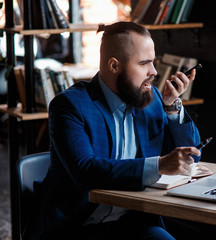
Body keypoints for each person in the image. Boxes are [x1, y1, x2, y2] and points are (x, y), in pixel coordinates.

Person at [25, 21, 201, 240]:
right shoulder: (70, 106)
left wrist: (171, 106)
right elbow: (86, 170)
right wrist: (160, 165)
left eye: (153, 62)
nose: (154, 72)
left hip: (133, 222)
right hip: (75, 227)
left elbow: (191, 154)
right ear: (114, 65)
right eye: (144, 63)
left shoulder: (152, 98)